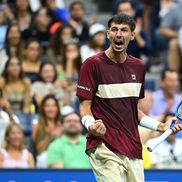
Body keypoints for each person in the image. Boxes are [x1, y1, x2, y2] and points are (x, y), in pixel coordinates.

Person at [76, 14, 182, 182]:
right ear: (108, 34)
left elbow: (134, 112)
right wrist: (91, 126)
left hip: (132, 146)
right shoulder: (92, 64)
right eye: (114, 30)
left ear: (132, 35)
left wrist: (160, 126)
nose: (119, 34)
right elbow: (84, 106)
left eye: (124, 30)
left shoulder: (139, 67)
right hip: (104, 145)